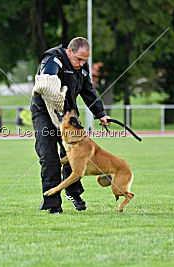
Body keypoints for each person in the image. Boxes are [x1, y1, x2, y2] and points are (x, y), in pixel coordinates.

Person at [30, 37, 110, 214]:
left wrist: (101, 114)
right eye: (79, 59)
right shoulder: (53, 59)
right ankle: (52, 204)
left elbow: (88, 90)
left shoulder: (82, 68)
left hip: (68, 114)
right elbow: (47, 79)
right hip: (44, 113)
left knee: (75, 154)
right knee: (49, 156)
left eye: (85, 60)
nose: (82, 63)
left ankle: (73, 193)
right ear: (69, 52)